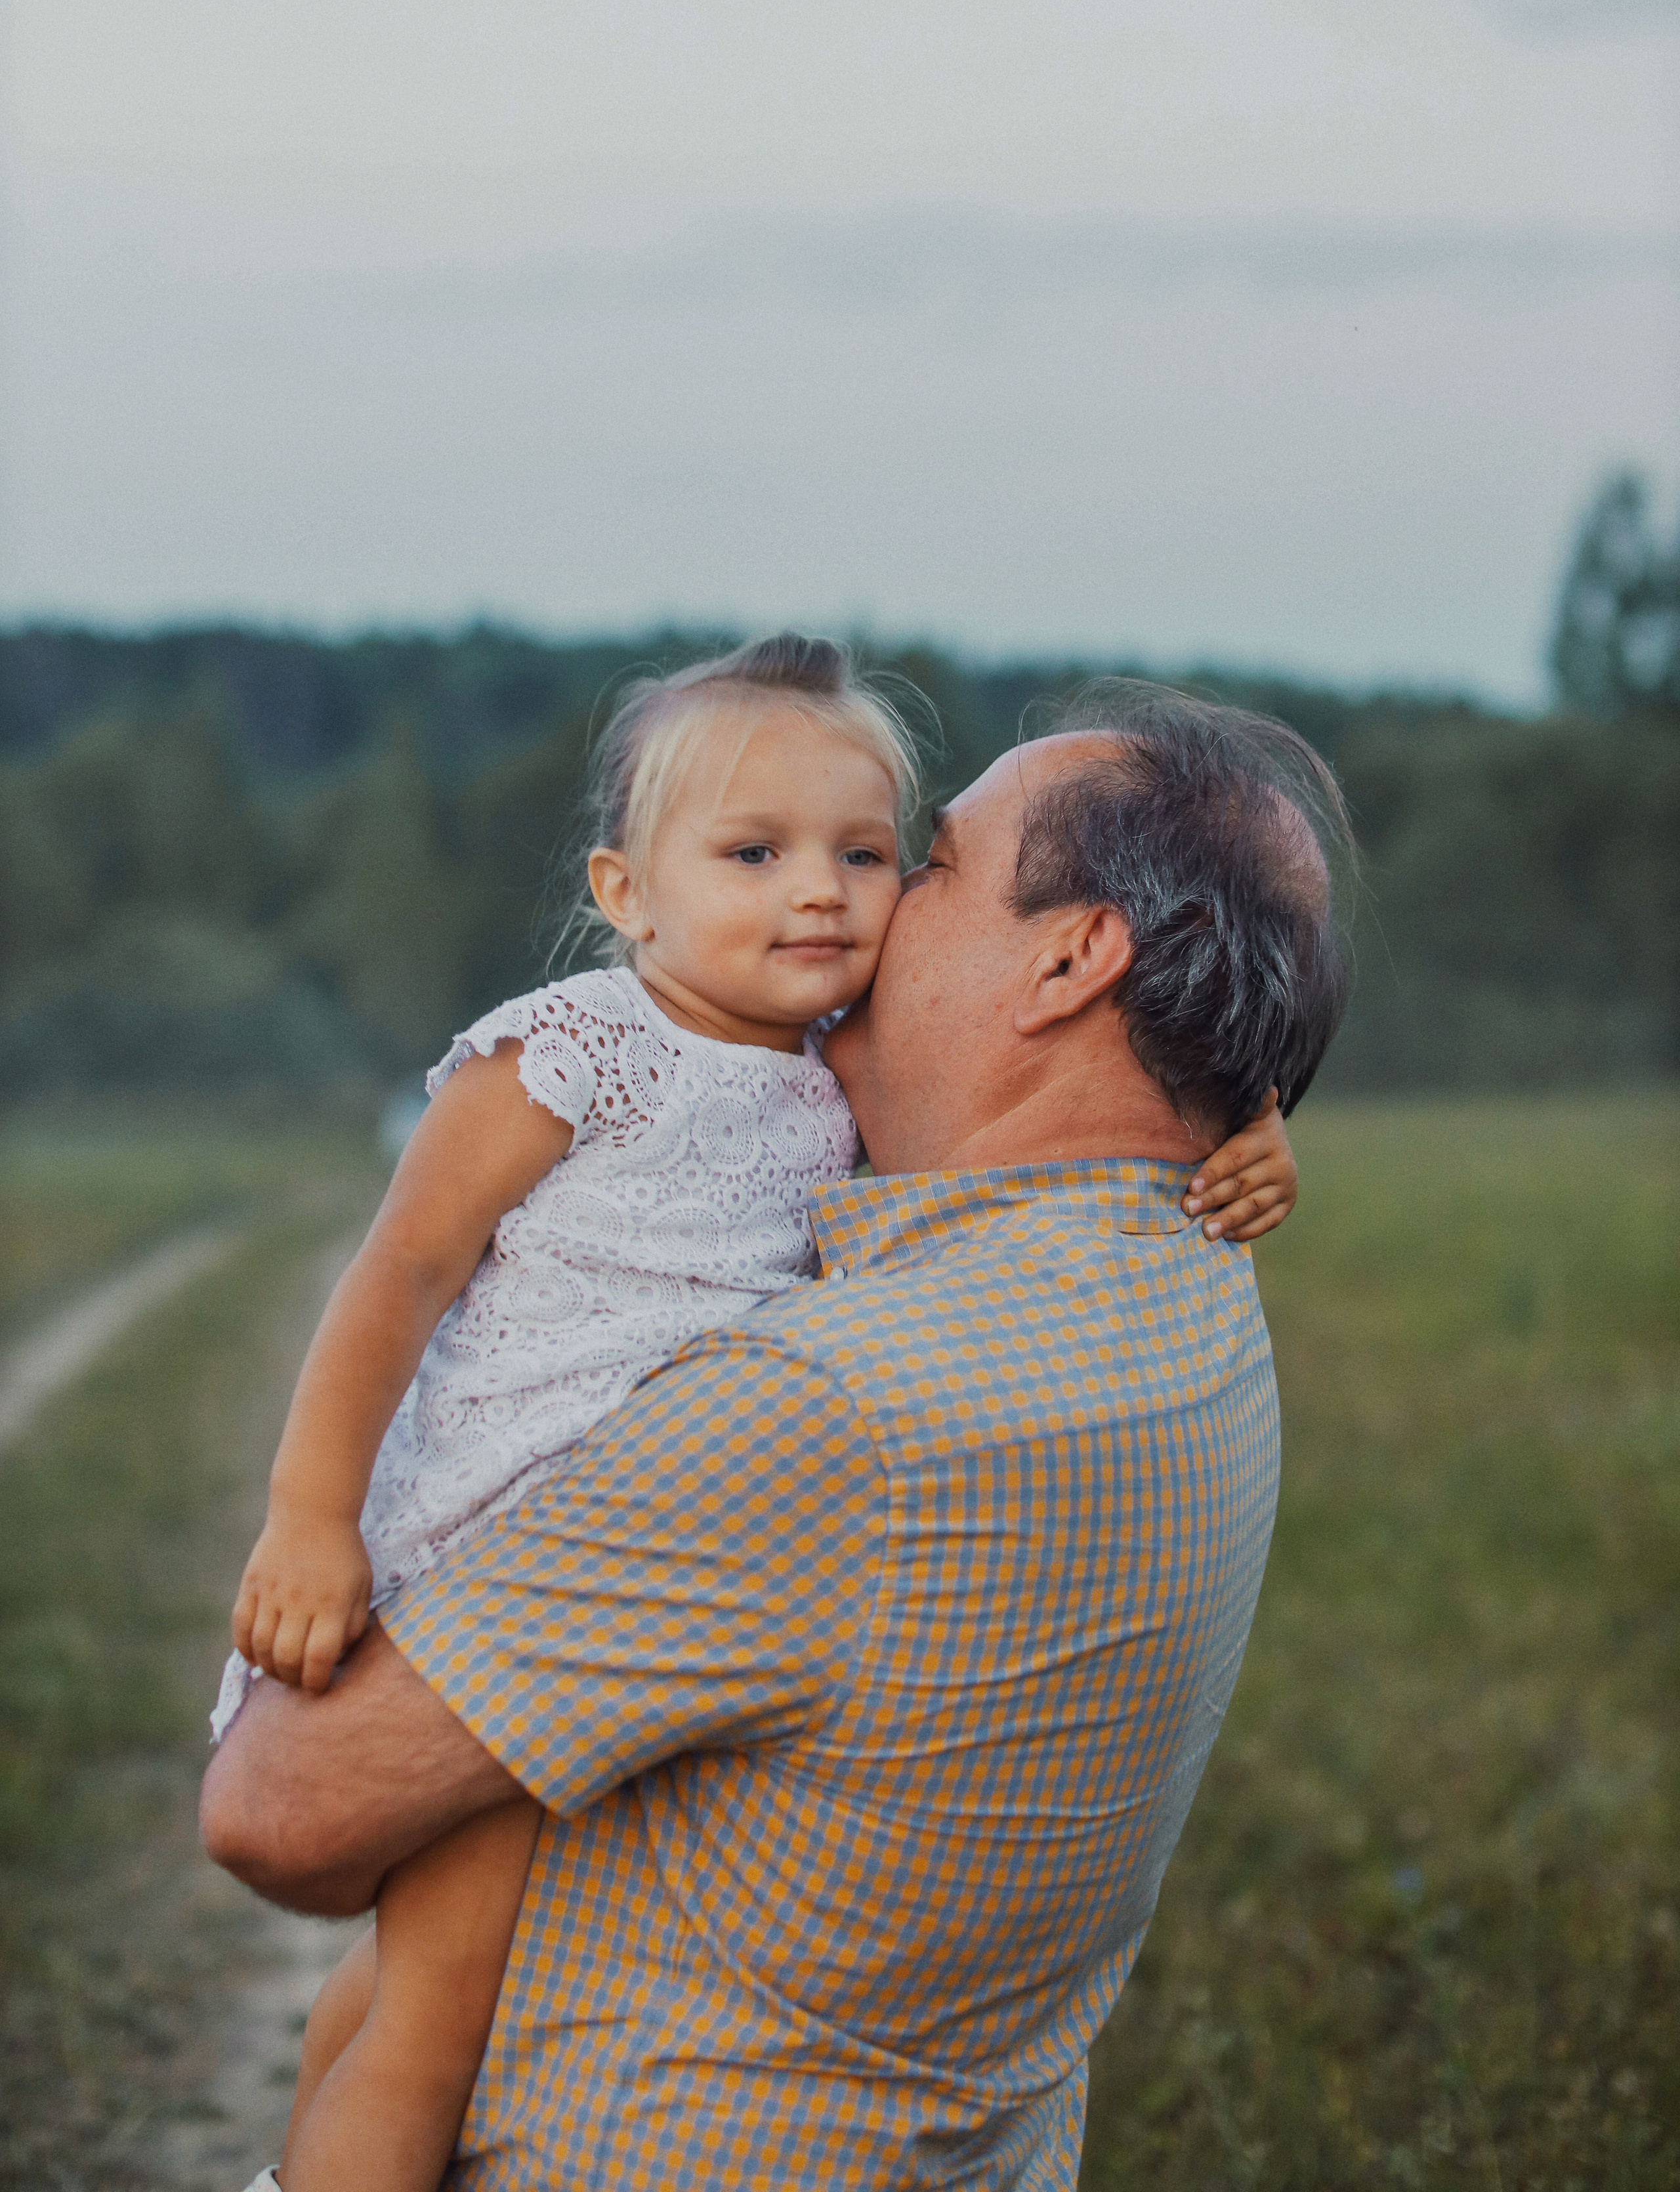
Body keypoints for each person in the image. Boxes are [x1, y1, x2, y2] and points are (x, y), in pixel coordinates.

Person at [211, 643, 1301, 2192]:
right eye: (755, 852)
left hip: (604, 1668)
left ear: (1070, 963)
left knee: (406, 2012)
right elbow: (401, 1264)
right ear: (627, 887)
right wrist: (308, 1518)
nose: (839, 901)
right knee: (402, 2016)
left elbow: (277, 1816)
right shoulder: (584, 1056)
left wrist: (1254, 1119)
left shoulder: (831, 1211)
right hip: (483, 1521)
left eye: (888, 859)